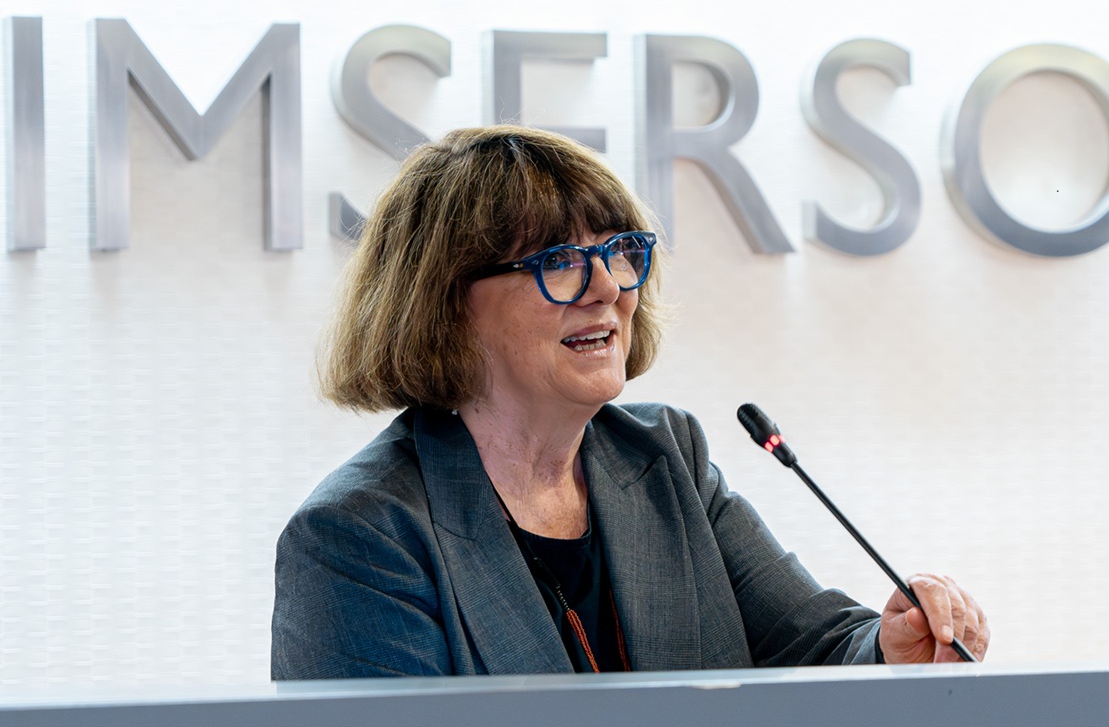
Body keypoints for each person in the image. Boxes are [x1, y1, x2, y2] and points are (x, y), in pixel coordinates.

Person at [271, 125, 989, 678]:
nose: (609, 286)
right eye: (557, 262)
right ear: (447, 304)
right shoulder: (357, 536)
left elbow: (815, 647)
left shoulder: (664, 456)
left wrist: (893, 646)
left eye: (620, 252)